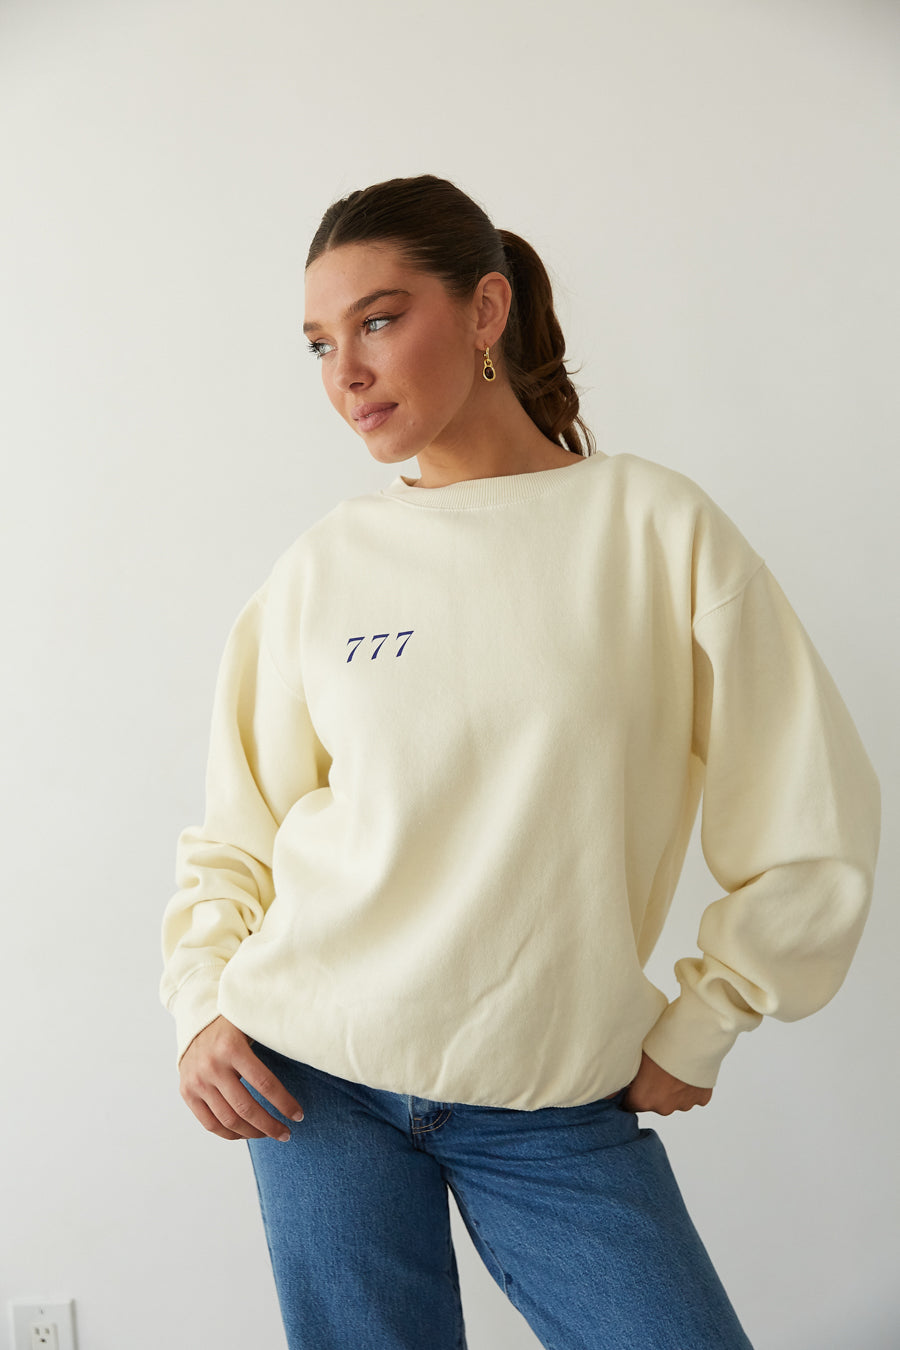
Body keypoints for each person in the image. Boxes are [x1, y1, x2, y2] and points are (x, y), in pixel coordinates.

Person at [160, 174, 881, 1350]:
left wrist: (708, 1016)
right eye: (321, 343)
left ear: (485, 309)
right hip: (317, 1081)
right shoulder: (326, 566)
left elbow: (815, 808)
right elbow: (238, 827)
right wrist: (200, 1005)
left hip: (553, 1096)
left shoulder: (655, 528)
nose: (346, 374)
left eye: (379, 321)